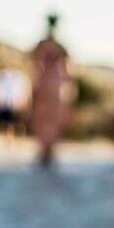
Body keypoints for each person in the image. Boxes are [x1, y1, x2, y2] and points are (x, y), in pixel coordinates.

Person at [29, 14, 73, 167]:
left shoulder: (43, 43)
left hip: (44, 83)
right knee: (51, 119)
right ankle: (48, 151)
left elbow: (33, 61)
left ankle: (45, 150)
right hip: (55, 85)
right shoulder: (58, 45)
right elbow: (68, 68)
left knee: (44, 118)